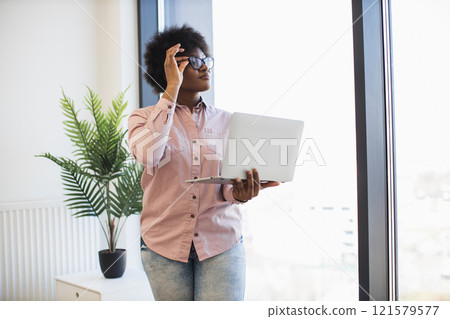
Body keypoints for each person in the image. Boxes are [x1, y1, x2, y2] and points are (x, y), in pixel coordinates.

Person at [127, 24, 280, 301]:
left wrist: (241, 193)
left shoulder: (228, 121)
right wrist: (171, 89)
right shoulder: (143, 119)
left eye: (207, 61)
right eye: (196, 62)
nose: (206, 68)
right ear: (170, 67)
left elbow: (228, 188)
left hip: (222, 243)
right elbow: (148, 155)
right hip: (164, 247)